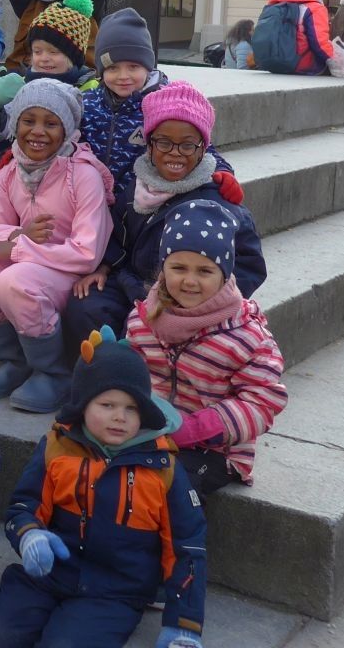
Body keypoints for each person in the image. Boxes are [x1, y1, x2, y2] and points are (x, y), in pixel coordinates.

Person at [0, 327, 206, 648]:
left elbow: (187, 547)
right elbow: (23, 507)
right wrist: (30, 536)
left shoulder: (163, 467)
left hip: (114, 592)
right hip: (47, 577)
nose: (119, 417)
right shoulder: (57, 446)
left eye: (131, 408)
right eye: (107, 405)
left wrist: (184, 624)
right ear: (82, 405)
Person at [0, 80, 113, 413]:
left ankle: (52, 373)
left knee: (15, 282)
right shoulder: (12, 171)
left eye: (50, 123)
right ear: (15, 124)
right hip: (27, 262)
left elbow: (86, 252)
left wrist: (14, 249)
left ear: (66, 129)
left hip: (64, 272)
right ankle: (14, 363)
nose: (37, 132)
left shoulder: (83, 176)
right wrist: (18, 235)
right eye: (29, 121)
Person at [67, 81, 257, 349]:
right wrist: (104, 266)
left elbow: (248, 262)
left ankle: (144, 382)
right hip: (132, 283)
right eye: (164, 143)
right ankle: (105, 377)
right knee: (85, 305)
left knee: (156, 328)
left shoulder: (217, 200)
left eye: (187, 145)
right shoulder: (139, 186)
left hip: (184, 296)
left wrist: (209, 295)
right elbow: (119, 234)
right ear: (149, 145)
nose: (175, 153)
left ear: (204, 148)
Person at [127, 199, 287, 495]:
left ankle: (174, 542)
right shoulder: (143, 318)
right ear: (163, 268)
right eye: (178, 267)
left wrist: (198, 429)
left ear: (224, 274)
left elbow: (262, 401)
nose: (189, 281)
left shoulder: (247, 335)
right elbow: (130, 373)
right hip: (148, 431)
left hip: (215, 448)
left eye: (204, 271)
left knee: (161, 486)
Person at [0, 0, 101, 138]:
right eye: (37, 51)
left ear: (73, 57)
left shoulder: (88, 90)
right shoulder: (21, 84)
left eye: (53, 52)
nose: (44, 58)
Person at [79, 8, 167, 199]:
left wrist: (221, 171)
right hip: (90, 202)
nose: (123, 77)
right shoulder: (87, 104)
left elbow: (196, 142)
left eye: (133, 67)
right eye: (112, 68)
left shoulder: (164, 104)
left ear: (147, 66)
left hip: (139, 204)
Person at [255, 0, 333, 75]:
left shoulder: (275, 3)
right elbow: (319, 43)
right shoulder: (314, 8)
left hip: (273, 64)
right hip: (304, 65)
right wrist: (335, 61)